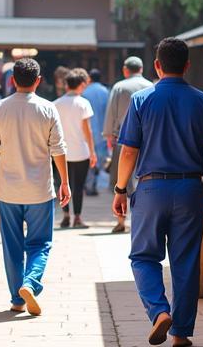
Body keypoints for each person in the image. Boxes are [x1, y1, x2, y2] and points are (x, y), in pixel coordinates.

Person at [112, 38, 203, 347]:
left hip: (150, 187)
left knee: (144, 256)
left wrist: (121, 189)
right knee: (185, 260)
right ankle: (181, 332)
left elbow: (128, 152)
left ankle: (159, 310)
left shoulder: (141, 100)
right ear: (187, 66)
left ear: (157, 66)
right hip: (190, 186)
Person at [0, 57, 71, 316]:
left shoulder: (0, 108)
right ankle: (30, 282)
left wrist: (6, 149)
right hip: (40, 190)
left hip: (7, 190)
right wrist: (65, 181)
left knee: (11, 245)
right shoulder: (47, 108)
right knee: (40, 243)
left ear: (12, 81)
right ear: (38, 81)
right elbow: (58, 149)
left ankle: (16, 299)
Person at [103, 56, 152, 233]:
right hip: (148, 142)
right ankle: (141, 221)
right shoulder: (151, 87)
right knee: (141, 181)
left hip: (122, 141)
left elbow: (110, 114)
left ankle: (121, 221)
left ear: (125, 70)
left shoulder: (119, 87)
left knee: (121, 183)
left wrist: (108, 136)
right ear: (142, 68)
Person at [54, 70, 97, 229]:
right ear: (80, 85)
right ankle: (77, 217)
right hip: (81, 152)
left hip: (60, 153)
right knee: (78, 186)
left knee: (62, 184)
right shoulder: (83, 103)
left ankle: (65, 216)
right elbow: (88, 130)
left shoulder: (56, 103)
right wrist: (92, 152)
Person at [82, 68, 110, 196]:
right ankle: (95, 184)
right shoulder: (106, 91)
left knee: (89, 160)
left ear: (90, 79)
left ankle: (90, 185)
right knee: (100, 160)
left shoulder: (85, 92)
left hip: (88, 132)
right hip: (103, 132)